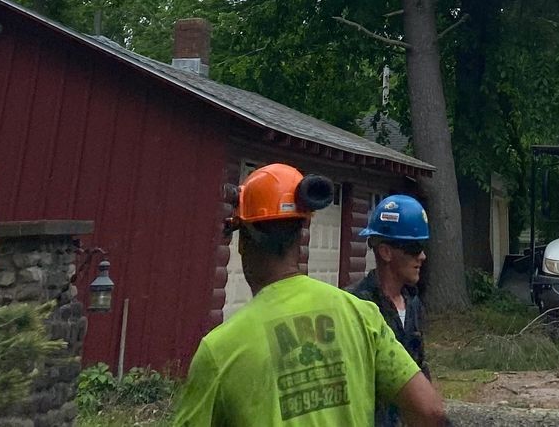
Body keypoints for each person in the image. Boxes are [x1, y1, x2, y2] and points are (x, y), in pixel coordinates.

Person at [173, 164, 446, 427]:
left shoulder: (219, 351)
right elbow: (430, 410)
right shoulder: (362, 315)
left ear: (243, 241)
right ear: (302, 233)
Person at [348, 194, 431, 427]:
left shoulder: (413, 303)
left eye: (422, 247)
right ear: (385, 252)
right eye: (414, 248)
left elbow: (419, 367)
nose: (422, 256)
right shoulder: (357, 305)